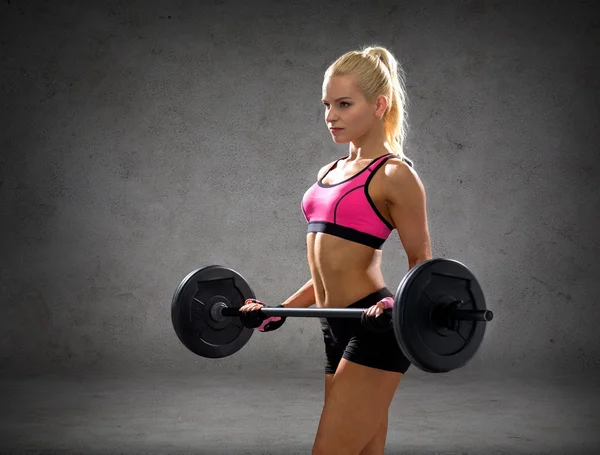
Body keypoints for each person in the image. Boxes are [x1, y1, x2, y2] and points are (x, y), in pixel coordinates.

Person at [239, 45, 432, 455]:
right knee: (364, 450)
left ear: (379, 105)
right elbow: (328, 272)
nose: (331, 116)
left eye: (345, 104)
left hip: (375, 326)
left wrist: (397, 306)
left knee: (330, 450)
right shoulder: (328, 172)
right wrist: (279, 309)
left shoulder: (395, 174)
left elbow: (423, 266)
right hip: (334, 323)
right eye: (327, 104)